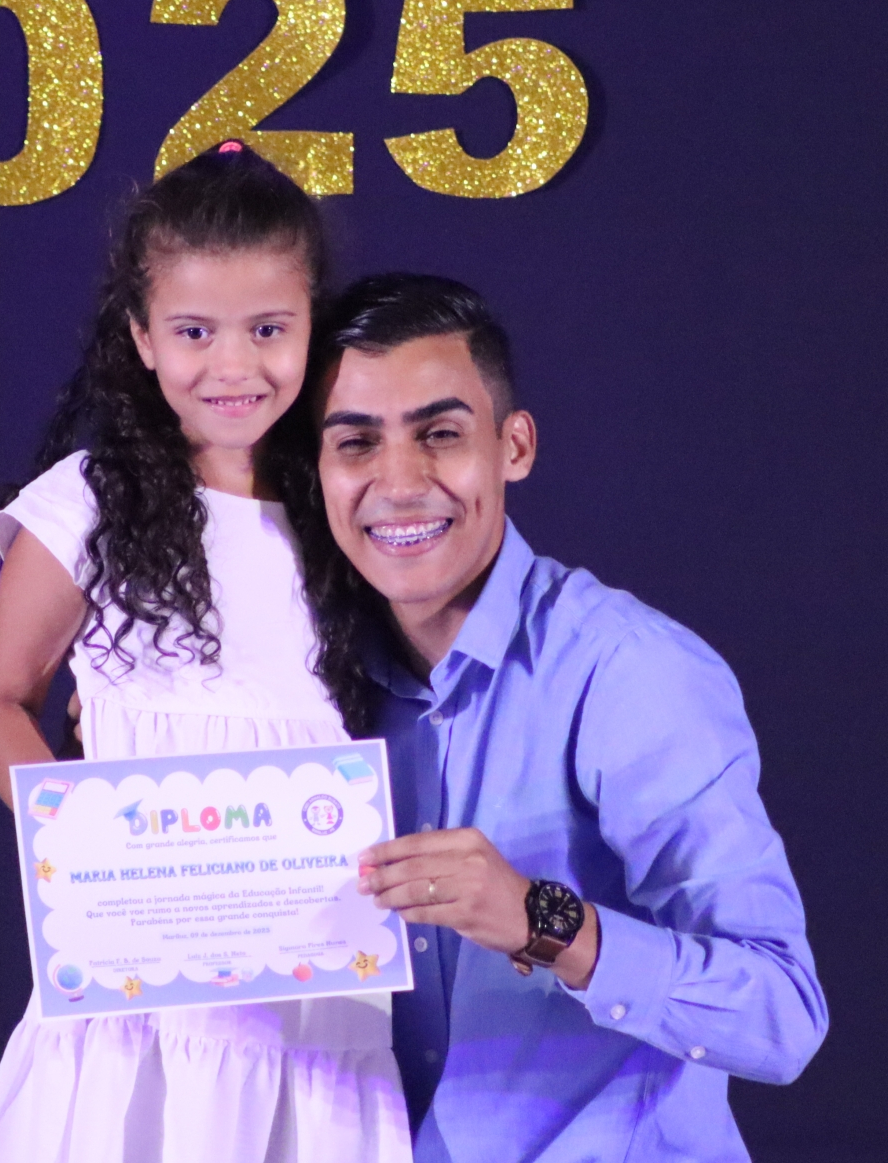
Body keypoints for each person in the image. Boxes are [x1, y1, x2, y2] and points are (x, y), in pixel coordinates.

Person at [281, 274, 827, 1162]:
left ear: (515, 446)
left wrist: (542, 920)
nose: (400, 482)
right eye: (356, 442)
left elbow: (782, 1014)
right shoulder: (305, 691)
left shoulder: (630, 672)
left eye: (440, 434)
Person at [0, 145, 411, 1163]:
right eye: (195, 331)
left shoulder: (350, 505)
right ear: (142, 337)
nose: (233, 366)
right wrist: (90, 851)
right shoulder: (87, 504)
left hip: (317, 1003)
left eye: (268, 329)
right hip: (141, 1002)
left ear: (313, 325)